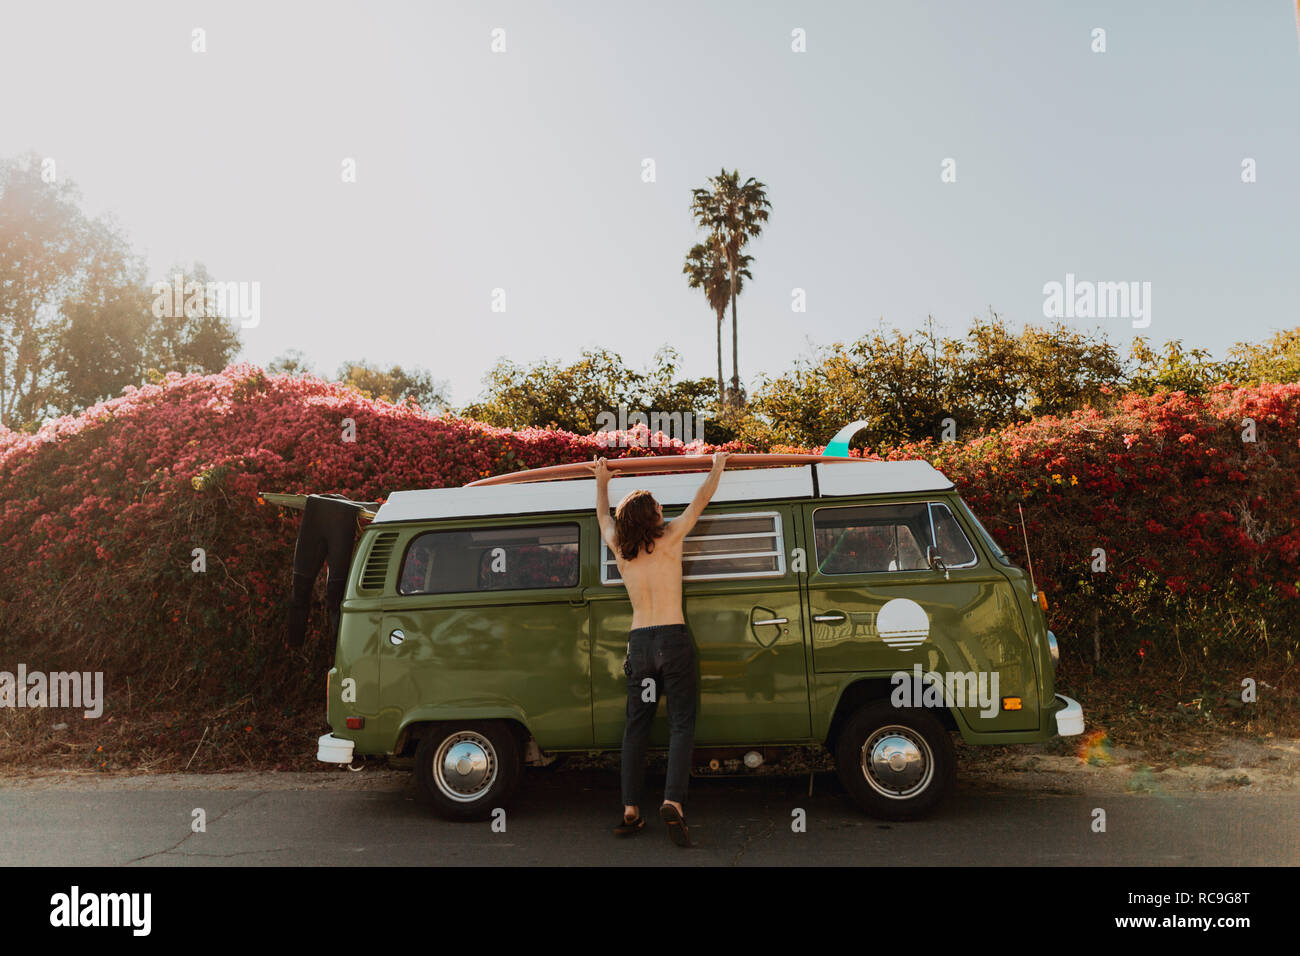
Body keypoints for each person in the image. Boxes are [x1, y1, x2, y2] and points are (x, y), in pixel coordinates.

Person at [588, 451, 729, 847]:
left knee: (637, 727)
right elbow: (701, 498)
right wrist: (717, 466)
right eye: (658, 507)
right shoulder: (671, 537)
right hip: (672, 639)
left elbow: (602, 516)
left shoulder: (619, 545)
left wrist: (602, 480)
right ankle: (673, 801)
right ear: (652, 516)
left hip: (640, 643)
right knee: (681, 724)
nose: (664, 510)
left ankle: (631, 810)